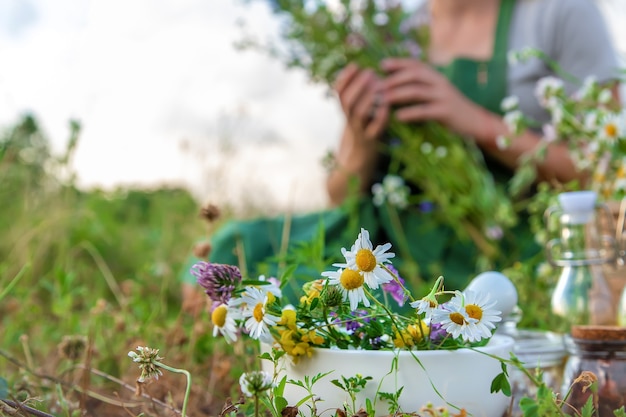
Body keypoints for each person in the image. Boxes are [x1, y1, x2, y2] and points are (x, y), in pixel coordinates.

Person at [181, 0, 621, 303]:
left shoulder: (558, 14)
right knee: (234, 251)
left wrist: (477, 123)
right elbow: (341, 195)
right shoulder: (394, 35)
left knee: (363, 305)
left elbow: (601, 169)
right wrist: (361, 135)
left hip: (507, 239)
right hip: (394, 237)